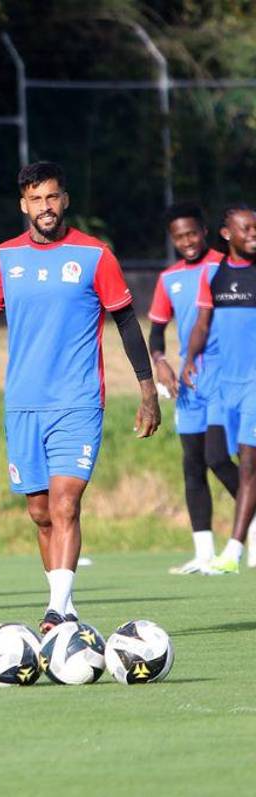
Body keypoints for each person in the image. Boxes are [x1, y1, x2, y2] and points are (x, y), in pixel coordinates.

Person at [0, 161, 160, 634]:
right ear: (23, 205)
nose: (45, 207)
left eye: (52, 197)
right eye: (35, 199)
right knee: (41, 513)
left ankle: (57, 610)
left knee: (65, 504)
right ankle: (66, 607)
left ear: (65, 200)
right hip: (23, 403)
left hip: (78, 401)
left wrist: (147, 389)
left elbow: (126, 322)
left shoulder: (95, 255)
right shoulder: (3, 258)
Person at [148, 203, 239, 575]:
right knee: (193, 465)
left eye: (192, 234)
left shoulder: (226, 266)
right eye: (179, 236)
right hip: (189, 380)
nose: (187, 241)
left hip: (225, 375)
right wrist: (160, 361)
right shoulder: (168, 279)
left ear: (204, 231)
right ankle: (203, 554)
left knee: (218, 457)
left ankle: (248, 527)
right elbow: (156, 331)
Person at [181, 205, 256, 574]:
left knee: (249, 466)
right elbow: (202, 324)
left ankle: (232, 553)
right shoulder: (213, 275)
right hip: (226, 385)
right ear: (227, 234)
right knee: (218, 457)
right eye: (247, 228)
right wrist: (189, 358)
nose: (254, 234)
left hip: (254, 384)